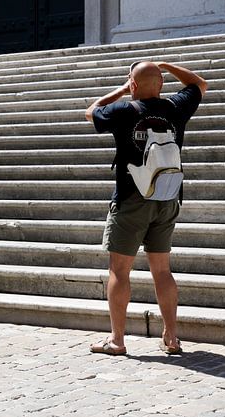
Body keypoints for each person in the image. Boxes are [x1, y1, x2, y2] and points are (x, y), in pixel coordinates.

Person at [85, 61, 207, 356]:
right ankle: (172, 337)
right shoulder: (176, 107)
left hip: (132, 198)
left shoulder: (124, 110)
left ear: (134, 85)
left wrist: (123, 90)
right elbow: (199, 84)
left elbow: (91, 112)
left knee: (119, 270)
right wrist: (165, 66)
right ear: (162, 85)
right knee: (162, 270)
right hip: (167, 197)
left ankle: (117, 339)